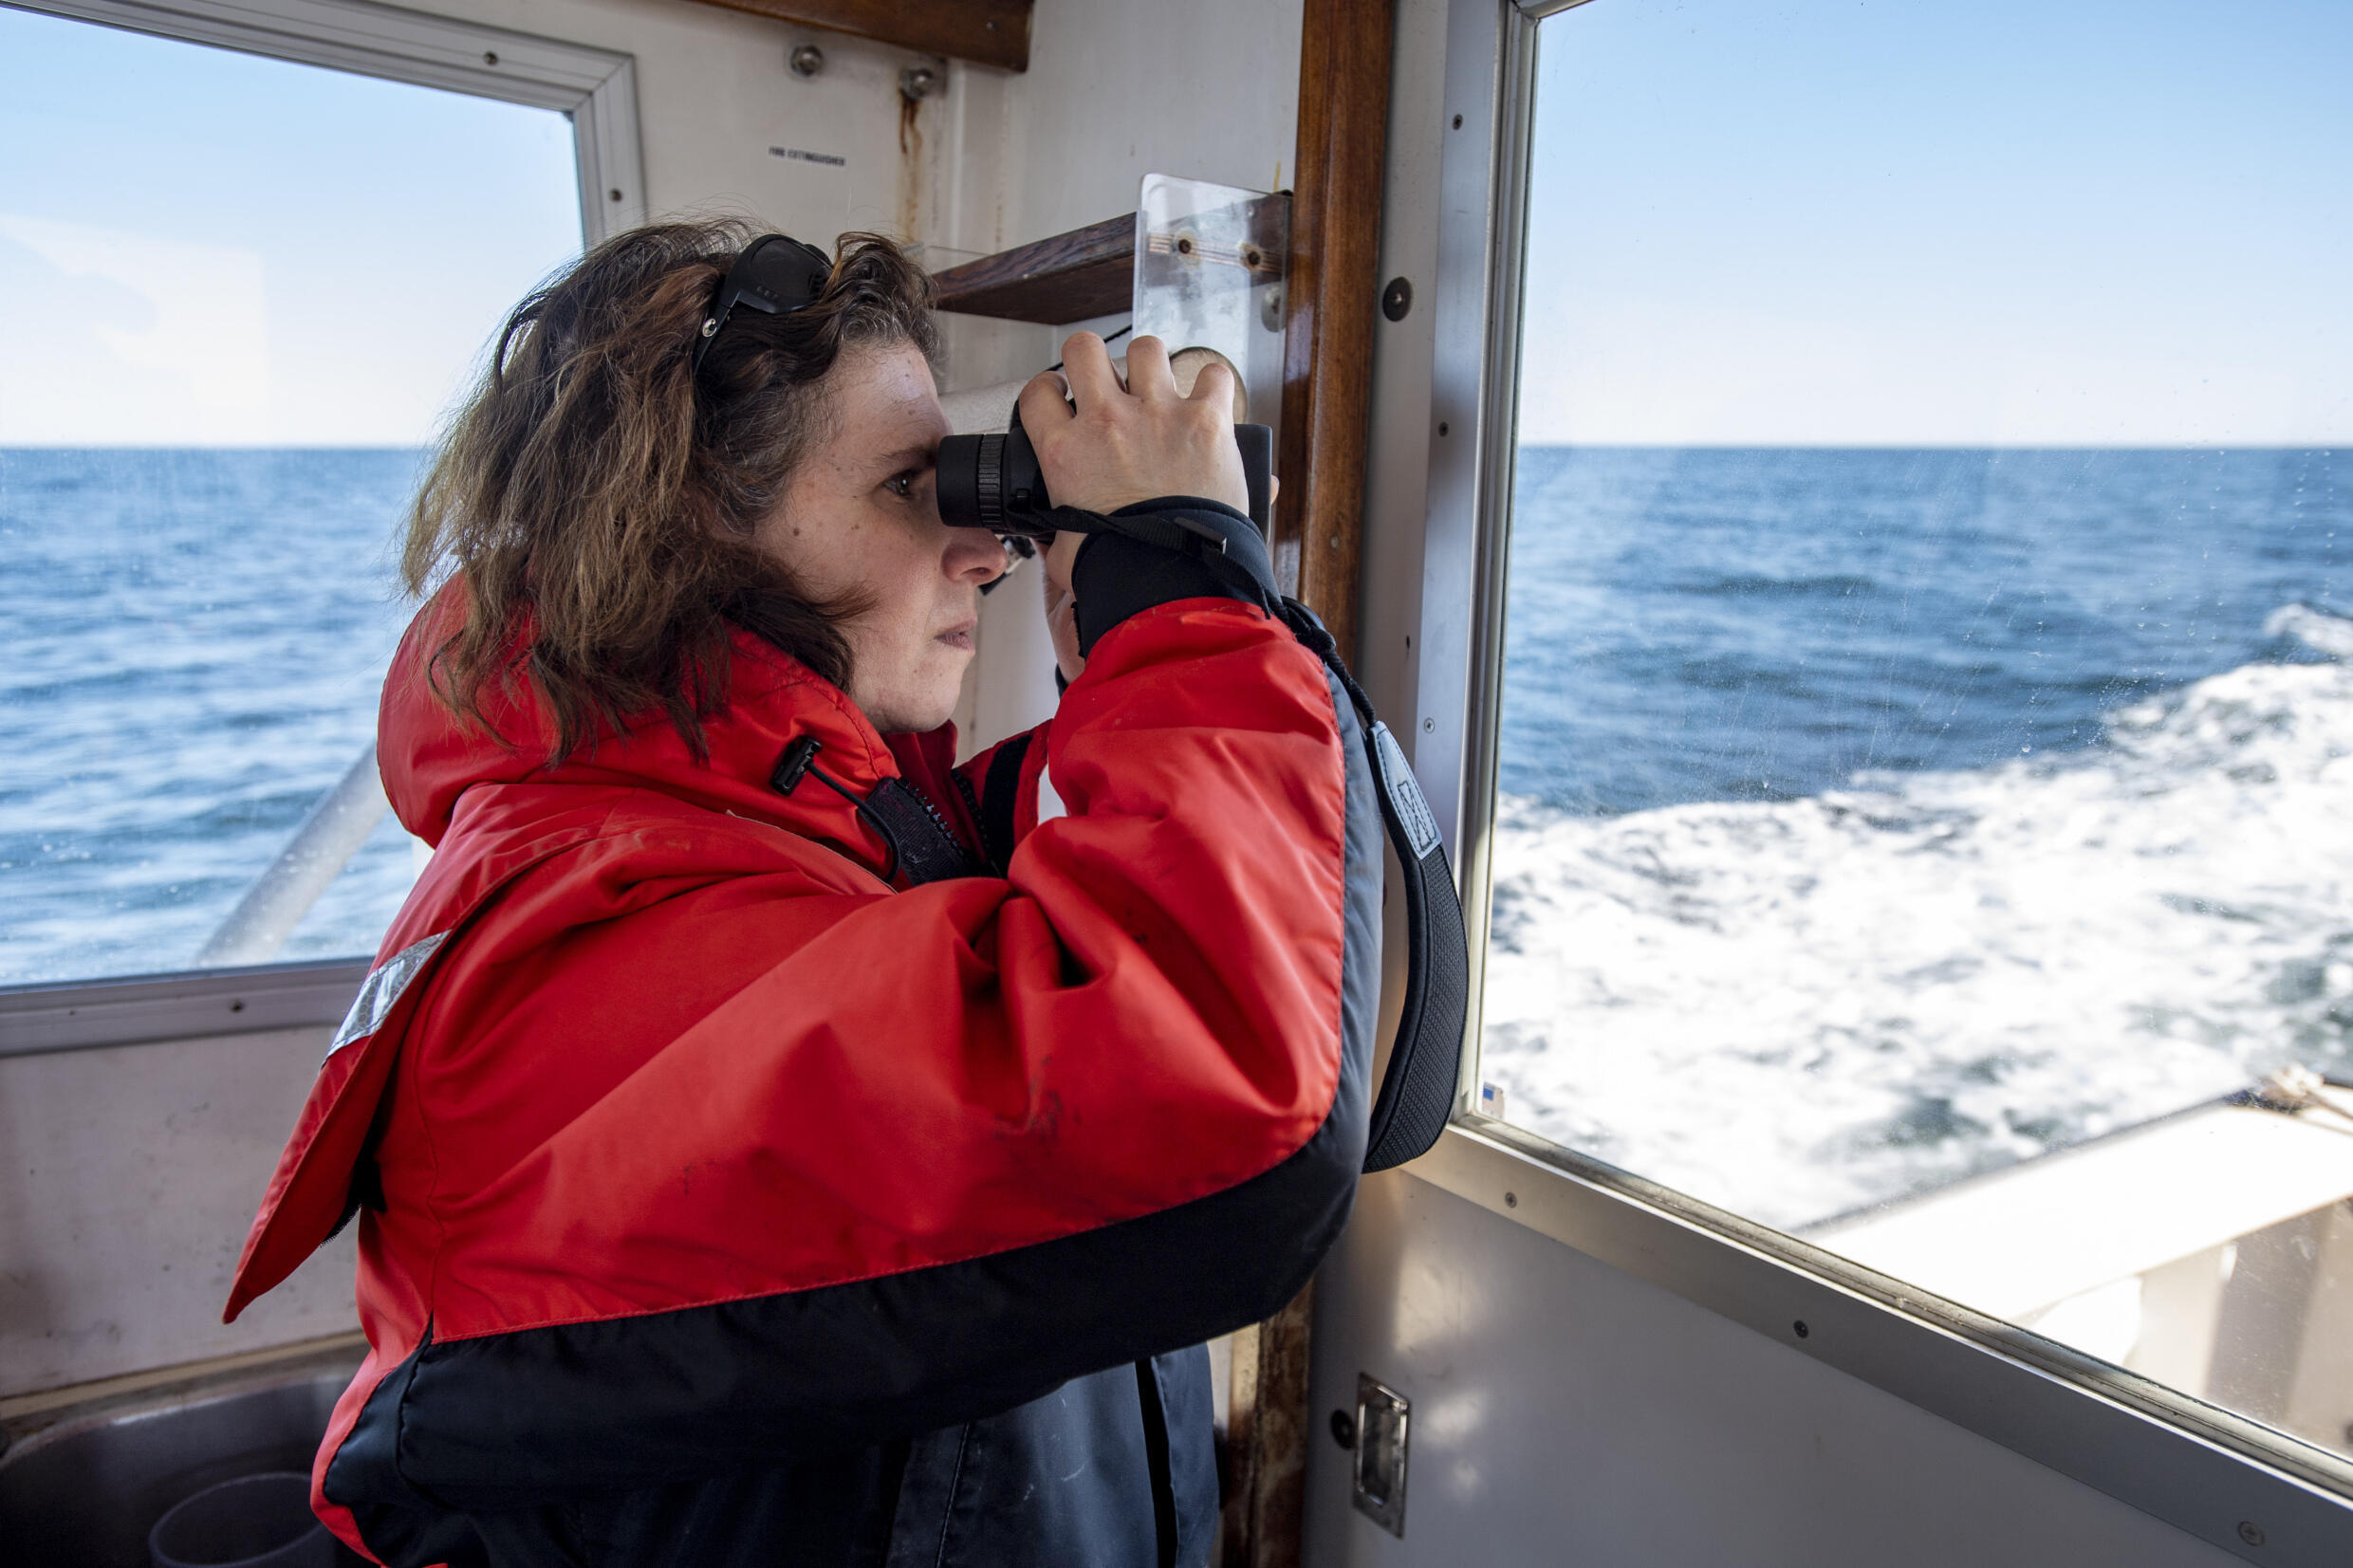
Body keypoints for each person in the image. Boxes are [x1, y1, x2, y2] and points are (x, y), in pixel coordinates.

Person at [223, 220, 1380, 1568]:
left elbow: (1342, 978)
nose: (985, 552)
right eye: (912, 486)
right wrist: (1180, 588)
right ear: (694, 517)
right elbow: (1240, 1115)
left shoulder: (828, 828)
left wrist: (1148, 624)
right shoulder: (586, 941)